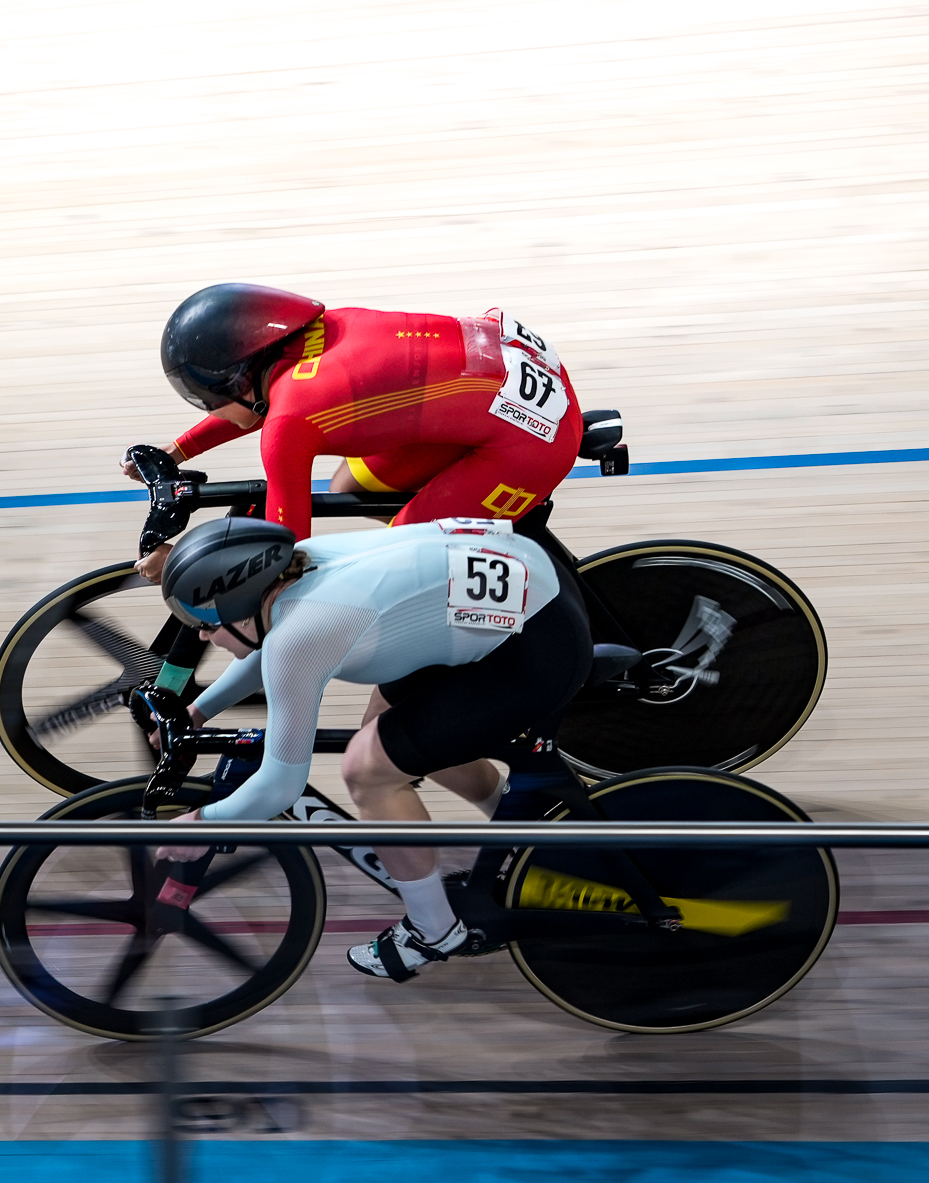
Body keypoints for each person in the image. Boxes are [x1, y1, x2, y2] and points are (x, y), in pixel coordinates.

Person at [150, 513, 592, 981]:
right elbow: (264, 643)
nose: (201, 635)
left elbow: (280, 785)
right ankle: (521, 830)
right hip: (527, 591)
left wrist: (202, 824)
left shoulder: (303, 633)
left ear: (242, 602)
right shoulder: (299, 564)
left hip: (534, 649)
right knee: (391, 735)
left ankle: (434, 931)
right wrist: (198, 712)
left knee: (369, 771)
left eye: (203, 621)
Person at [127, 283, 584, 582]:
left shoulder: (287, 425)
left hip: (531, 442)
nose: (209, 408)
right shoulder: (318, 332)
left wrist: (185, 565)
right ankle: (462, 536)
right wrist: (176, 451)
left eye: (208, 397)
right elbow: (267, 404)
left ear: (239, 379)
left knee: (400, 563)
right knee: (349, 485)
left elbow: (288, 556)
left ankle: (491, 616)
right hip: (505, 381)